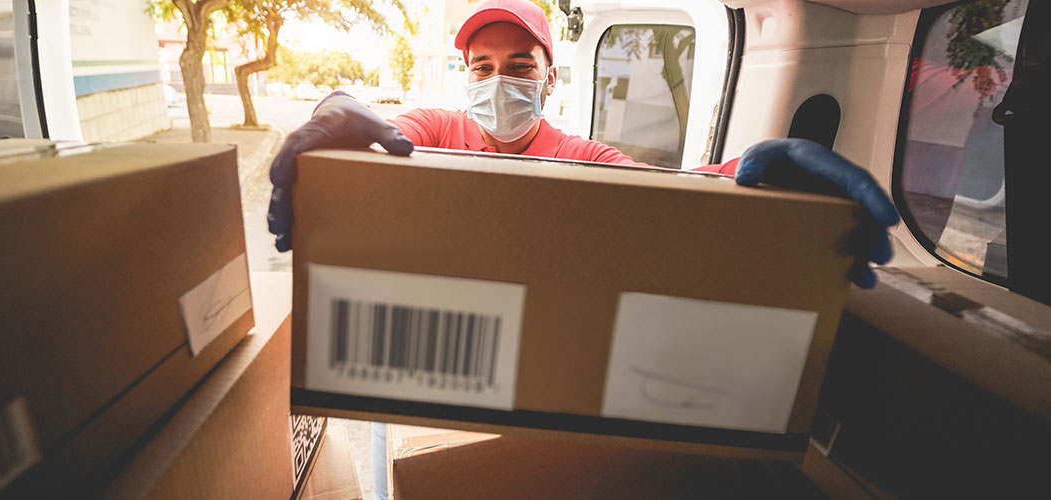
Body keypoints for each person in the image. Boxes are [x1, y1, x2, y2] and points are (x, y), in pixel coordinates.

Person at [267, 0, 900, 288]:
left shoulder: (583, 158)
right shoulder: (435, 131)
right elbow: (376, 145)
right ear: (467, 75)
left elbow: (673, 200)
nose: (499, 80)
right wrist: (333, 112)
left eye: (520, 65)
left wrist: (755, 182)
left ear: (550, 78)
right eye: (483, 67)